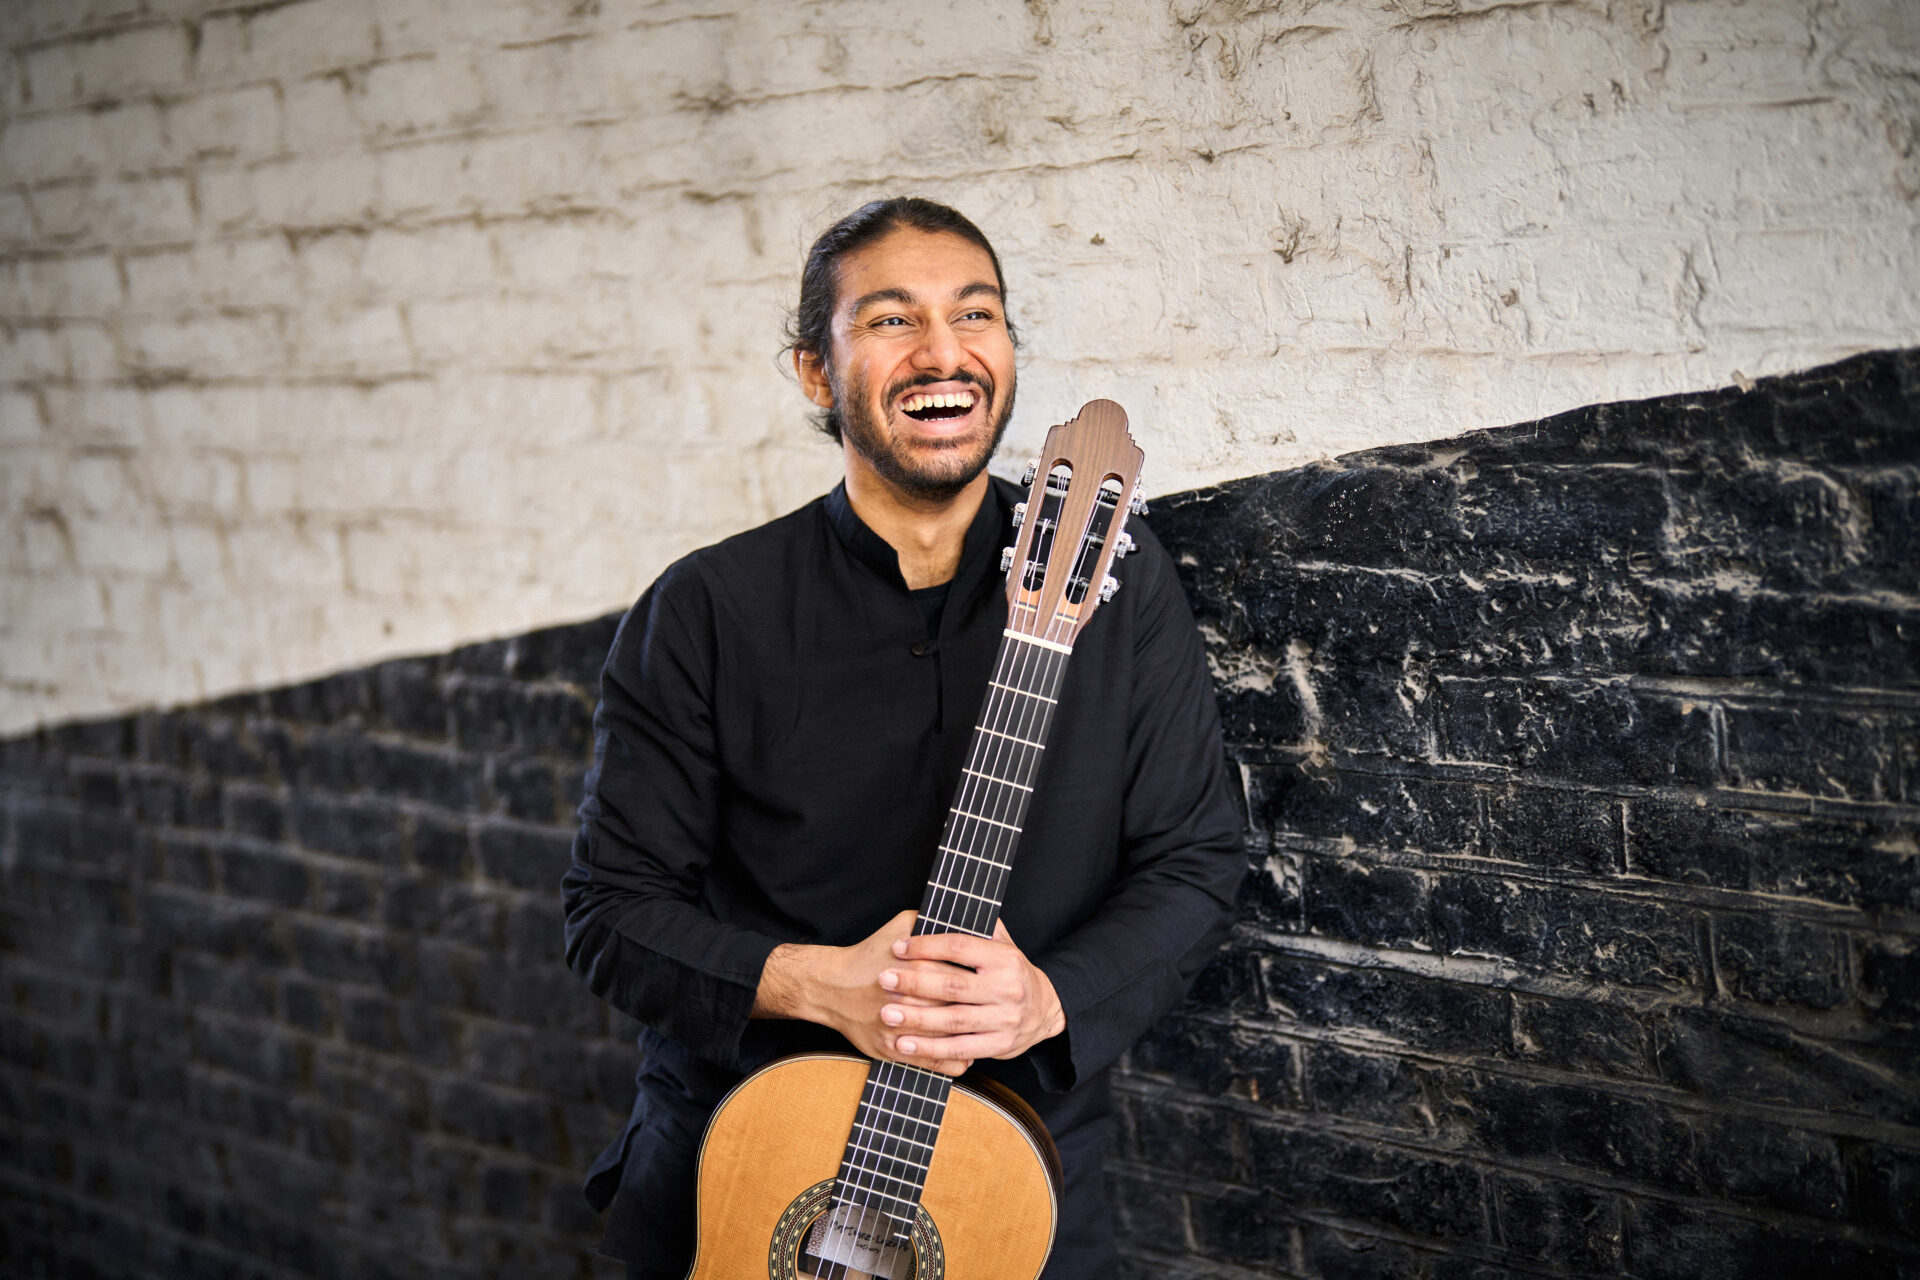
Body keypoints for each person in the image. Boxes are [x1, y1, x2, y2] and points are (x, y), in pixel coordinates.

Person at [562, 196, 1244, 1279]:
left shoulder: (1110, 576)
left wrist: (1048, 997)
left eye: (976, 313)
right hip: (732, 1168)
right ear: (815, 373)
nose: (945, 351)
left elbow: (1197, 858)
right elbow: (609, 912)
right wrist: (817, 983)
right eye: (890, 320)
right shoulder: (704, 610)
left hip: (1016, 1175)